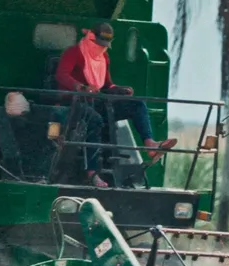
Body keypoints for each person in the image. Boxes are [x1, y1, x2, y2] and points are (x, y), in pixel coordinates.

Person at [55, 22, 178, 187]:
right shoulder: (73, 53)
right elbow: (62, 75)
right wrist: (81, 87)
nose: (101, 48)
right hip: (72, 103)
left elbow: (106, 85)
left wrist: (118, 89)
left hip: (96, 102)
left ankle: (150, 145)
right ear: (90, 38)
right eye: (99, 44)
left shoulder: (103, 58)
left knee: (137, 105)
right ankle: (92, 173)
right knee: (95, 119)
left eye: (104, 46)